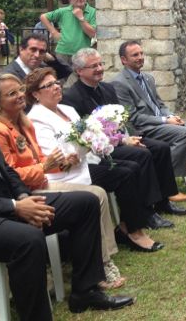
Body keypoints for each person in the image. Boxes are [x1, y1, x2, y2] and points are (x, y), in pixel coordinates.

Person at [0, 61, 134, 319]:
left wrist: (23, 198)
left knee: (86, 203)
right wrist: (14, 207)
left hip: (7, 204)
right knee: (28, 238)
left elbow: (6, 171)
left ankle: (85, 291)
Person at [0, 73, 126, 289]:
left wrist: (61, 163)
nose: (20, 96)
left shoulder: (22, 122)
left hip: (40, 183)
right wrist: (45, 166)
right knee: (94, 195)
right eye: (12, 94)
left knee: (97, 192)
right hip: (22, 195)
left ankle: (102, 260)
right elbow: (9, 175)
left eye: (20, 90)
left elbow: (39, 158)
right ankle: (98, 264)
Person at [26, 67, 163, 255]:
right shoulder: (36, 119)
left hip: (84, 163)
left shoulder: (66, 109)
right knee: (125, 173)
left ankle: (128, 225)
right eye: (49, 85)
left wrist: (105, 137)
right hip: (65, 175)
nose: (57, 87)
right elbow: (56, 156)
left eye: (56, 82)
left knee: (131, 167)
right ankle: (134, 232)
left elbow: (89, 134)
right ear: (35, 94)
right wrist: (84, 145)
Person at [62, 48, 186, 221]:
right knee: (143, 154)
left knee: (160, 148)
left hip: (121, 138)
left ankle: (163, 202)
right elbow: (84, 135)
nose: (100, 68)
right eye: (94, 66)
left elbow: (121, 119)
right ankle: (146, 212)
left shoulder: (107, 88)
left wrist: (128, 137)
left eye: (101, 64)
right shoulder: (72, 97)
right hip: (100, 148)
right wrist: (124, 141)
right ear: (79, 71)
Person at [112, 40, 186, 188]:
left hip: (162, 122)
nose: (140, 57)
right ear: (124, 60)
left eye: (141, 53)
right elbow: (133, 117)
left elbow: (160, 104)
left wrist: (171, 116)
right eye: (135, 55)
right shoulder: (120, 83)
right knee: (185, 134)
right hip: (144, 127)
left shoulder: (148, 78)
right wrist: (165, 120)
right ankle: (168, 184)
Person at [39, 0, 97, 69]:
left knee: (80, 78)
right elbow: (43, 17)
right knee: (63, 78)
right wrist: (54, 32)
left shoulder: (93, 12)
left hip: (83, 54)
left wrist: (81, 18)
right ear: (70, 0)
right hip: (63, 52)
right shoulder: (63, 11)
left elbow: (92, 34)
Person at [2, 33, 73, 82]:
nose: (37, 55)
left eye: (42, 51)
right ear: (21, 49)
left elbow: (67, 71)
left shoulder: (42, 68)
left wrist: (51, 60)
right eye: (33, 49)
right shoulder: (8, 75)